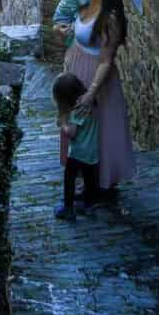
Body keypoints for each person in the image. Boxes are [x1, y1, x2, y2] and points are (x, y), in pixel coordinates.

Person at [61, 0, 135, 192]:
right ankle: (85, 178)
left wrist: (92, 92)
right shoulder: (83, 0)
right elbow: (78, 32)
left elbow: (106, 59)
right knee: (78, 127)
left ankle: (99, 183)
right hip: (75, 67)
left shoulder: (111, 18)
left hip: (95, 77)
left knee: (95, 130)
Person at [52, 72, 99, 220]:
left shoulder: (78, 109)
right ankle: (89, 207)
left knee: (69, 178)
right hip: (92, 153)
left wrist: (64, 122)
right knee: (90, 180)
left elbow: (71, 132)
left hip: (78, 153)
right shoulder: (90, 102)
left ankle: (68, 208)